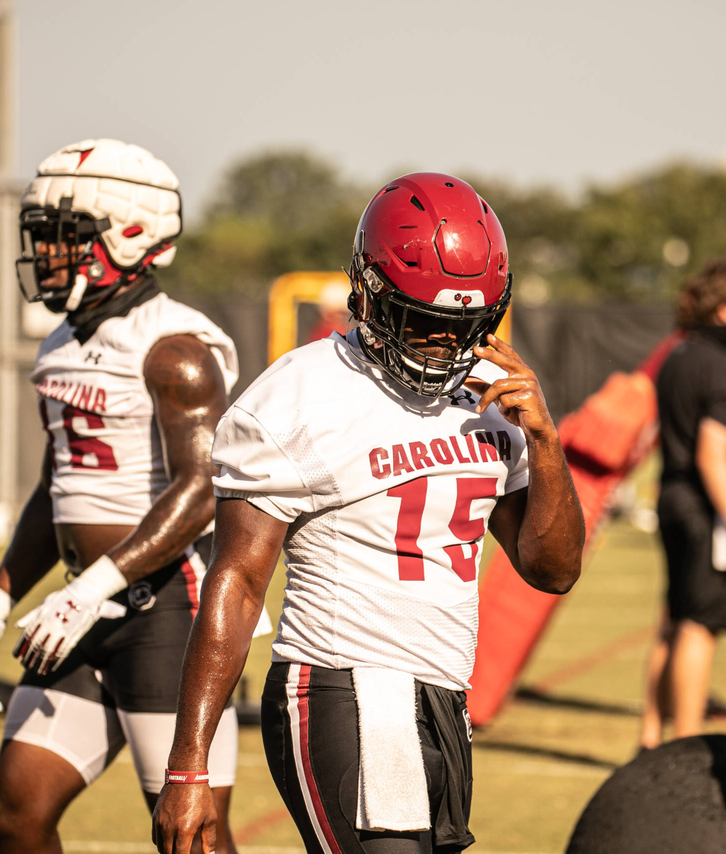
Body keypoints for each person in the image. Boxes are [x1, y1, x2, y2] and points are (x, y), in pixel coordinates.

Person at [151, 172, 586, 854]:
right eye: (425, 323)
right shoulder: (300, 396)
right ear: (368, 296)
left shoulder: (490, 395)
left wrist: (546, 443)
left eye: (462, 327)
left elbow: (552, 570)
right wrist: (188, 764)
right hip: (340, 683)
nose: (443, 347)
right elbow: (235, 583)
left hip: (443, 696)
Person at [0, 139, 263, 854]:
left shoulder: (174, 347)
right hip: (78, 609)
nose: (49, 255)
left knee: (191, 839)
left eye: (67, 238)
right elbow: (55, 487)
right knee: (17, 812)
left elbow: (205, 488)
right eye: (45, 238)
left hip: (168, 615)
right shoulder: (59, 340)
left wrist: (94, 586)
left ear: (130, 235)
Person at [639, 259, 726, 750]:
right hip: (702, 507)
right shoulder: (721, 367)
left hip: (670, 496)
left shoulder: (676, 355)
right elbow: (713, 456)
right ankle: (685, 745)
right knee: (697, 628)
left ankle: (650, 736)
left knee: (671, 620)